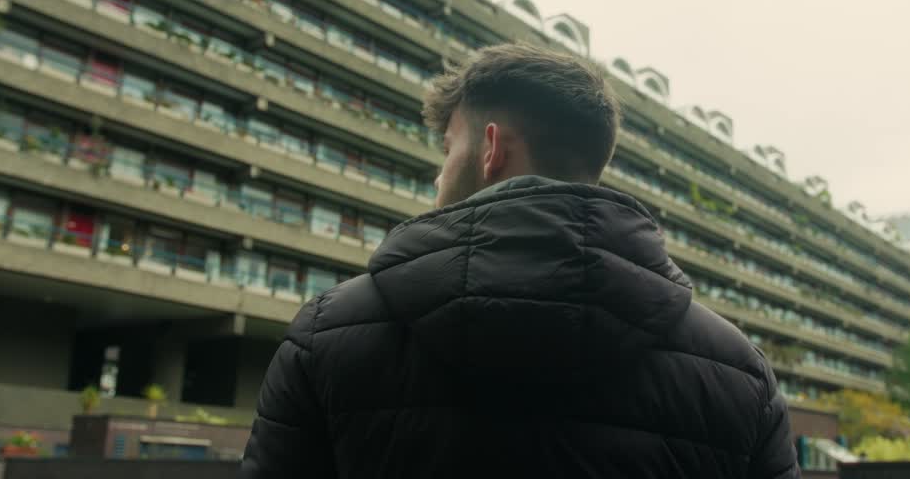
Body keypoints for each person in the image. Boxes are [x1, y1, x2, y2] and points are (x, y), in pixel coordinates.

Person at [240, 43, 798, 478]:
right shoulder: (738, 372)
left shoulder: (328, 336)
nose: (439, 176)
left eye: (447, 149)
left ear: (490, 149)